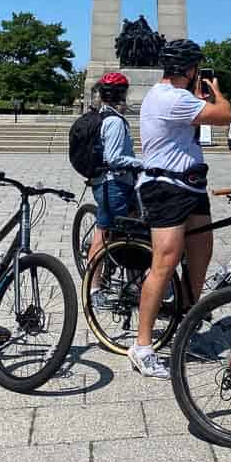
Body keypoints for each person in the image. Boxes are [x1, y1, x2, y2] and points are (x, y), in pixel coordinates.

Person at [130, 39, 231, 378]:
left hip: (190, 185)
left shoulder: (177, 98)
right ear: (190, 70)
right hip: (165, 188)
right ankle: (142, 345)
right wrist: (216, 91)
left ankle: (186, 324)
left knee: (201, 254)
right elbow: (225, 115)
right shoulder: (171, 98)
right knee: (165, 262)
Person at [86, 73, 143, 305]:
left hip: (106, 182)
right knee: (110, 234)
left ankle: (128, 282)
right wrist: (142, 163)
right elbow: (114, 157)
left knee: (110, 231)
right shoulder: (115, 121)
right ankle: (94, 288)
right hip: (115, 183)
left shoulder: (101, 116)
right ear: (124, 95)